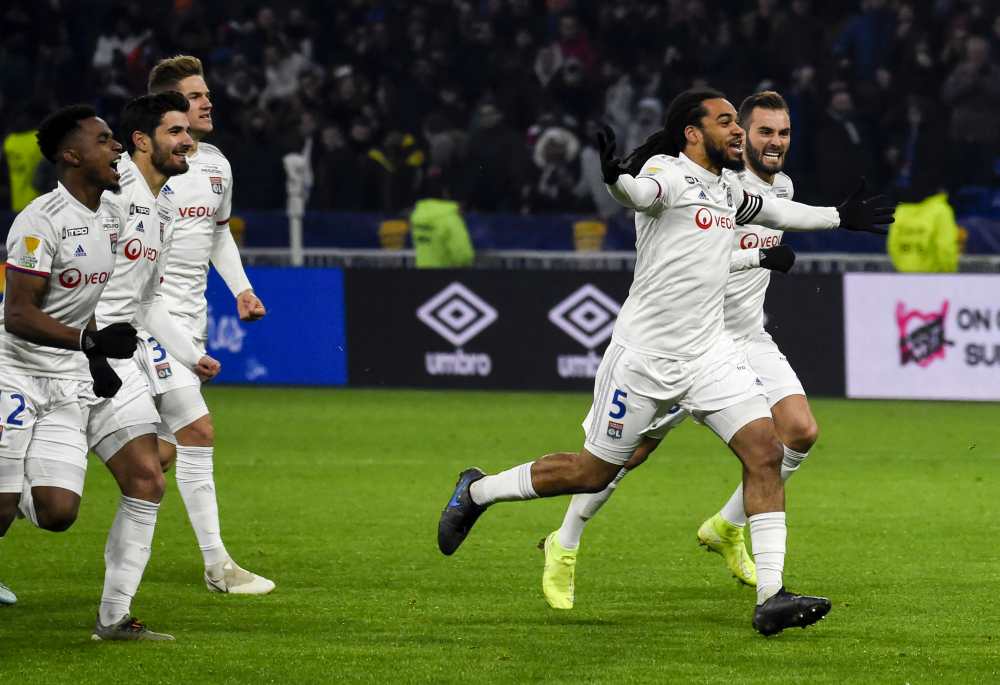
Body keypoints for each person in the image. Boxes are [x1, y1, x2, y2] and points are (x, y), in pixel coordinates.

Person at [438, 87, 894, 635]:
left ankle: (772, 596)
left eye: (737, 122)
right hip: (644, 359)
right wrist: (612, 177)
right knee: (592, 472)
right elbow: (638, 193)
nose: (737, 132)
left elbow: (772, 210)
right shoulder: (668, 173)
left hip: (709, 354)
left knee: (766, 452)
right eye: (727, 122)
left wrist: (838, 217)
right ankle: (478, 489)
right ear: (693, 133)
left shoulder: (727, 188)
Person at [540, 90, 824, 609]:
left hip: (744, 338)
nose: (773, 142)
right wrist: (760, 255)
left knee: (797, 433)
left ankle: (728, 529)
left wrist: (835, 217)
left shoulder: (781, 187)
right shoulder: (712, 176)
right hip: (687, 337)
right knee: (622, 457)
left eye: (783, 133)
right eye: (762, 131)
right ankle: (566, 542)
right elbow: (687, 234)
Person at [85, 92, 221, 641]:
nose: (189, 141)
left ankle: (113, 617)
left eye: (188, 132)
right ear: (143, 140)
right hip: (62, 358)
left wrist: (190, 355)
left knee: (149, 472)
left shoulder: (161, 206)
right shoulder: (107, 194)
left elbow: (145, 300)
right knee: (51, 506)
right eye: (175, 132)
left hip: (114, 360)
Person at [144, 55, 274, 595]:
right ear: (170, 108)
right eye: (196, 96)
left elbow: (218, 235)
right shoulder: (139, 171)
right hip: (143, 322)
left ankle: (31, 498)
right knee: (196, 433)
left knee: (159, 453)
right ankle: (218, 565)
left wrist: (240, 288)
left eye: (205, 95)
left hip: (190, 323)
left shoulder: (217, 164)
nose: (207, 103)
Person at [0, 105, 135, 612]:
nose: (116, 146)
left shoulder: (112, 216)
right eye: (104, 140)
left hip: (66, 382)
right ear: (72, 155)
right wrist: (92, 345)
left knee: (58, 514)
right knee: (1, 510)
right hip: (14, 373)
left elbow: (86, 300)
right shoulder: (40, 221)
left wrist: (94, 360)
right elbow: (17, 315)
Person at [410, 174, 474, 268]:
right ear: (445, 194)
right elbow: (463, 255)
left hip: (422, 275)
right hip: (446, 276)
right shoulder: (449, 218)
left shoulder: (417, 217)